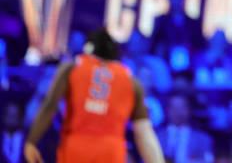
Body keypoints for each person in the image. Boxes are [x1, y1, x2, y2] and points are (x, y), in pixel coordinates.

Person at [23, 28, 164, 163]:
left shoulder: (71, 69)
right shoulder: (132, 82)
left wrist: (31, 141)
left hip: (77, 146)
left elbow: (49, 106)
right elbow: (144, 132)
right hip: (110, 150)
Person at [157, 92, 214, 163]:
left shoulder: (203, 139)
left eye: (181, 108)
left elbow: (208, 160)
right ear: (167, 110)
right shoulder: (156, 137)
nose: (177, 112)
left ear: (189, 110)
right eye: (174, 108)